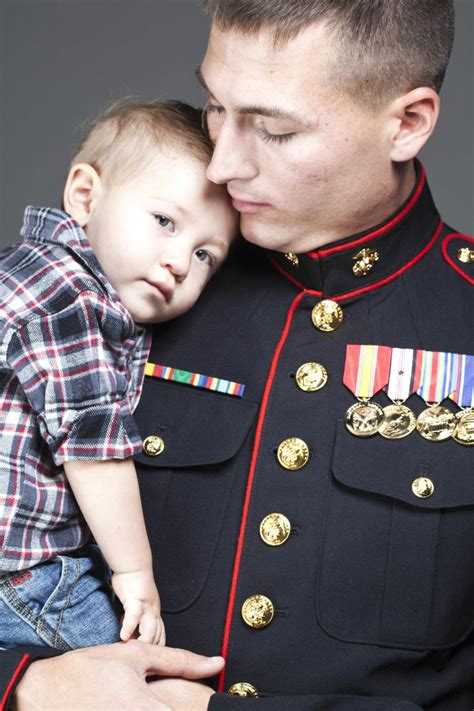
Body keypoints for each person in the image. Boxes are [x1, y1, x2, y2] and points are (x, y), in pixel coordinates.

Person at [2, 0, 473, 709]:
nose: (221, 163)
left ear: (406, 123)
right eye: (216, 107)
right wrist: (27, 686)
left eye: (275, 129)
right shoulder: (134, 282)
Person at [0, 100, 237, 651]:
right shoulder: (65, 296)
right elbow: (92, 445)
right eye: (164, 222)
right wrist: (134, 573)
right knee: (131, 672)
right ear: (86, 196)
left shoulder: (40, 271)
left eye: (205, 254)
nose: (179, 261)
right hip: (24, 576)